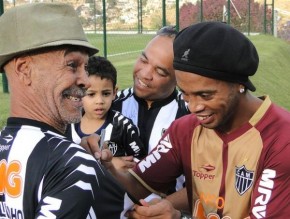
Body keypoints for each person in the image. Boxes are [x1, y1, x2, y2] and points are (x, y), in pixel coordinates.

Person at [90, 21, 290, 218]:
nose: (194, 107)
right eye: (185, 94)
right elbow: (137, 184)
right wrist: (103, 164)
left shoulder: (282, 139)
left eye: (205, 95)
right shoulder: (185, 130)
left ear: (239, 84)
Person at [0, 3, 135, 218]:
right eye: (72, 65)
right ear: (24, 70)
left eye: (86, 67)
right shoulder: (75, 167)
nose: (85, 81)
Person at [112, 26, 190, 191]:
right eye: (144, 60)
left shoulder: (190, 116)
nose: (145, 74)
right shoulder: (111, 104)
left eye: (160, 72)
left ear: (179, 78)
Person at [66, 55, 146, 162]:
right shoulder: (68, 124)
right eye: (91, 94)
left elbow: (140, 161)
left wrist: (113, 165)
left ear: (114, 92)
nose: (99, 101)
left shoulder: (123, 126)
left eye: (106, 93)